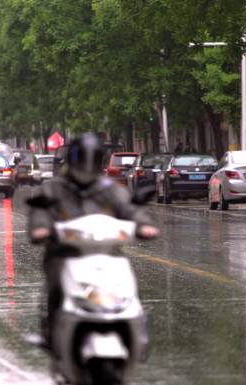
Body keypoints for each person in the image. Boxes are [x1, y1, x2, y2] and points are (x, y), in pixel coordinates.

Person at [26, 133, 158, 346]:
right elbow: (41, 212)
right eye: (82, 160)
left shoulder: (110, 189)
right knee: (56, 286)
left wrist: (144, 225)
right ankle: (50, 331)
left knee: (128, 284)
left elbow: (130, 208)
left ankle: (138, 329)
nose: (87, 167)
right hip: (65, 253)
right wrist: (41, 229)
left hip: (105, 252)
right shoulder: (54, 188)